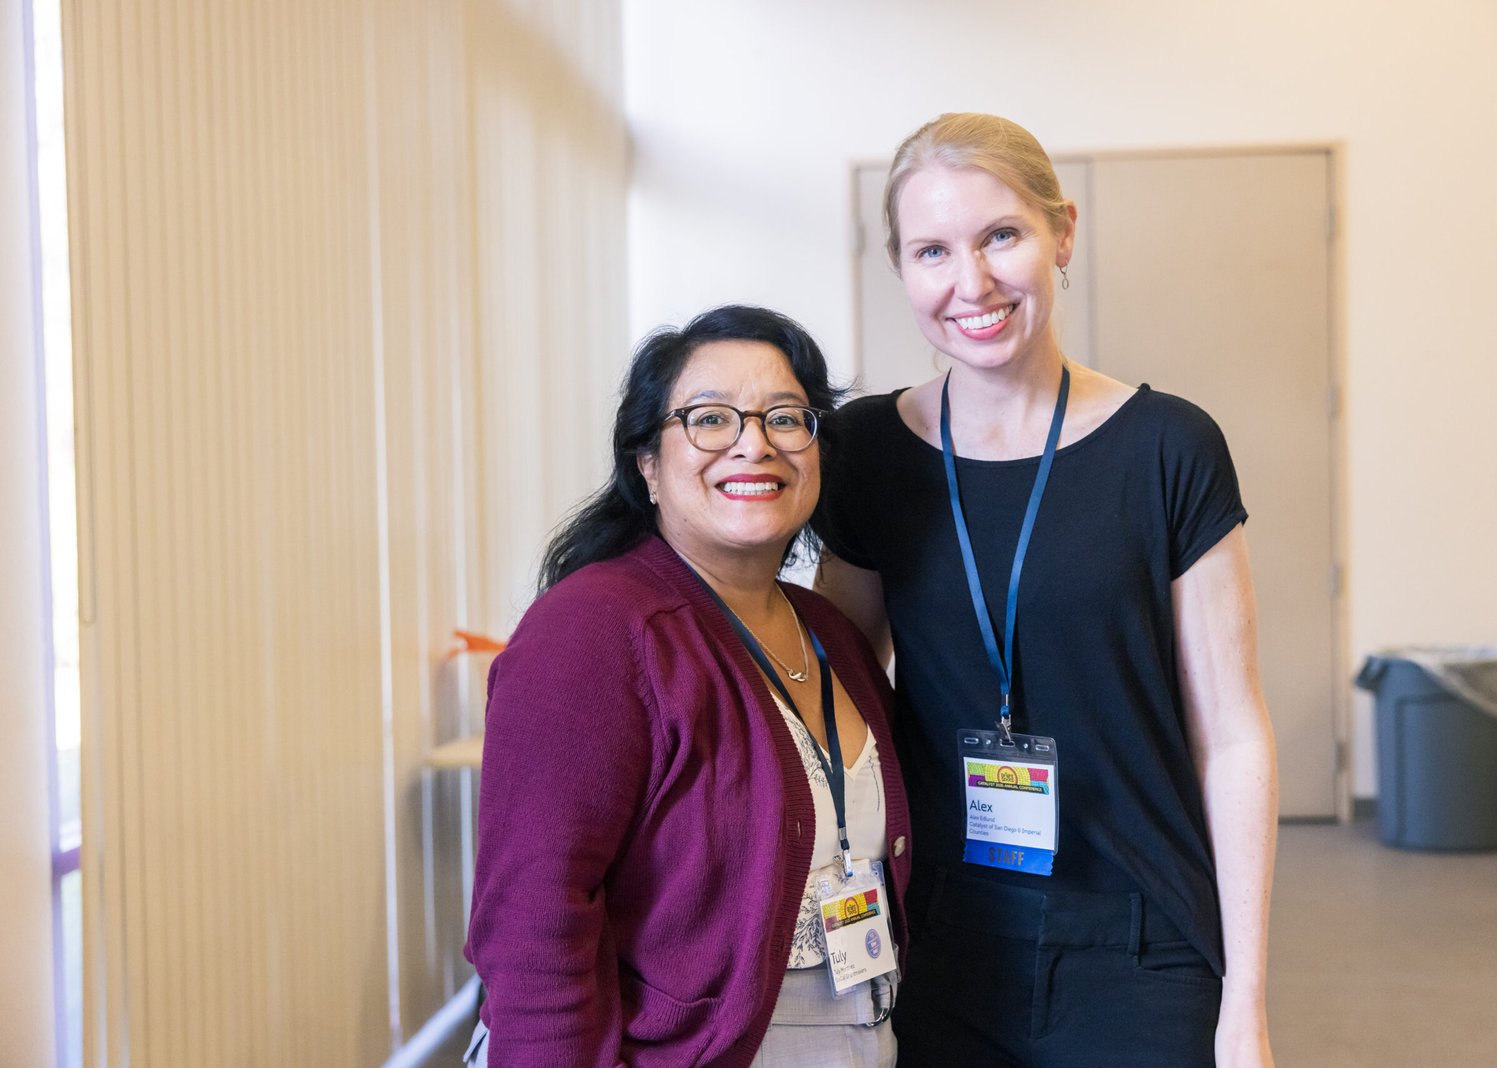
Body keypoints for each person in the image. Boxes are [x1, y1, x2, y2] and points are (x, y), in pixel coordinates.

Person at [813, 113, 1278, 1067]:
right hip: (939, 937)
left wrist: (1248, 1007)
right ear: (900, 267)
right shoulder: (868, 454)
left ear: (1062, 232)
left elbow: (1233, 737)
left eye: (1002, 236)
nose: (971, 283)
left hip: (1140, 939)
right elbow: (837, 704)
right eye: (932, 250)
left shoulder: (1167, 449)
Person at [464, 304, 911, 1067]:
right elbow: (533, 925)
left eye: (785, 417)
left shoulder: (830, 632)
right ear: (647, 460)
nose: (753, 444)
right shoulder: (591, 632)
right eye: (710, 419)